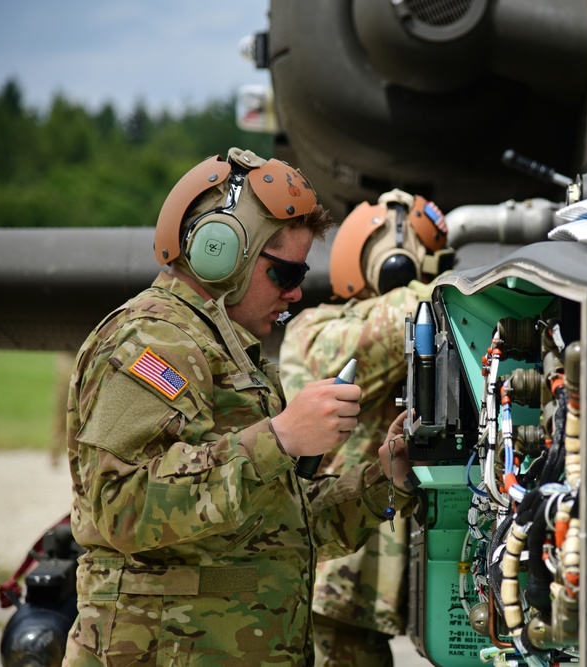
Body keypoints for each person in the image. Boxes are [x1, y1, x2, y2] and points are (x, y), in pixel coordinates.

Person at [62, 148, 417, 666]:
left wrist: (386, 480)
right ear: (221, 254)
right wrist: (282, 439)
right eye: (284, 273)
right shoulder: (152, 342)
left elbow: (277, 527)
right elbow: (123, 507)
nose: (296, 293)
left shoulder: (226, 352)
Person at [279, 189, 455, 667]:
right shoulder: (316, 330)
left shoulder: (430, 333)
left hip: (367, 596)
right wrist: (447, 284)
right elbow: (381, 329)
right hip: (327, 584)